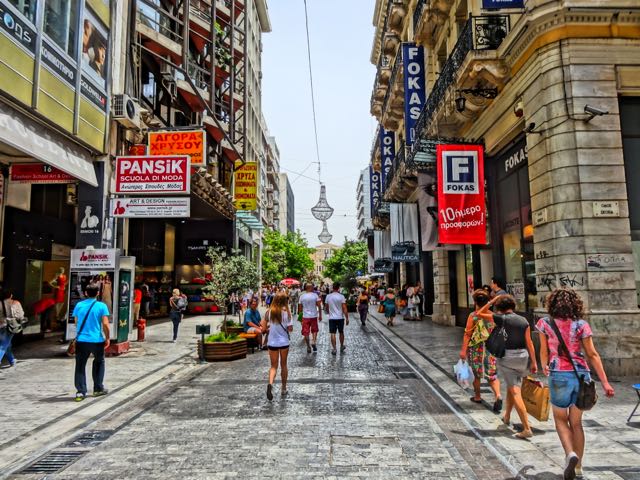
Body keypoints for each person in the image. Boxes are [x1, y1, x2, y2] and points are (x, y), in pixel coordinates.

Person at [537, 288, 614, 480]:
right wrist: (605, 383)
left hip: (559, 375)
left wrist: (544, 366)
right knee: (577, 423)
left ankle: (570, 453)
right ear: (576, 304)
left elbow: (544, 352)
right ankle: (578, 466)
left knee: (561, 419)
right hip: (581, 375)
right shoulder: (581, 325)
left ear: (552, 304)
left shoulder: (544, 324)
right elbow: (592, 354)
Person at [478, 294, 537, 438]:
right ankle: (507, 416)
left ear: (500, 308)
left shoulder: (501, 318)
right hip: (523, 357)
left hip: (508, 357)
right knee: (513, 386)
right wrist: (534, 362)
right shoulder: (523, 320)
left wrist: (490, 301)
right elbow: (529, 343)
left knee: (515, 391)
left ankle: (526, 428)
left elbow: (480, 313)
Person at [459, 289, 502, 412]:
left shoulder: (473, 316)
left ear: (475, 301)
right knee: (492, 374)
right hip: (490, 349)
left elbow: (467, 334)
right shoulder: (492, 316)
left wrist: (463, 350)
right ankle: (498, 395)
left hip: (476, 349)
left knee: (476, 374)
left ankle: (478, 396)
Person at [72, 283, 110, 401]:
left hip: (81, 340)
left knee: (80, 365)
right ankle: (98, 388)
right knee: (99, 362)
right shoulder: (101, 306)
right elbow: (105, 324)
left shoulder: (79, 305)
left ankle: (80, 392)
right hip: (96, 340)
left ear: (86, 293)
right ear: (98, 293)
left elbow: (76, 322)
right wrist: (107, 337)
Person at [261, 292, 293, 400]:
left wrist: (271, 328)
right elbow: (290, 329)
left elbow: (263, 329)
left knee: (273, 366)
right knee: (284, 365)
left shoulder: (268, 312)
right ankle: (283, 388)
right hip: (284, 343)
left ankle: (270, 384)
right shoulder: (287, 313)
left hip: (272, 343)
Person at [0, 290, 25, 367]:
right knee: (3, 345)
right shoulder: (15, 303)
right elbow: (20, 316)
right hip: (10, 327)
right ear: (10, 295)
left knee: (7, 344)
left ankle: (12, 360)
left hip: (0, 325)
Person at [298, 283, 322, 353]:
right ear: (310, 288)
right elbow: (319, 306)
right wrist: (320, 315)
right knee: (314, 330)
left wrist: (300, 316)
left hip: (305, 316)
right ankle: (313, 341)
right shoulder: (315, 295)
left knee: (306, 332)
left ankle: (308, 346)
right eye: (312, 287)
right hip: (314, 316)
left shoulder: (302, 296)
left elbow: (300, 308)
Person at [326, 283, 349, 355]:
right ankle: (342, 346)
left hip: (332, 318)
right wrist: (347, 318)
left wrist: (329, 312)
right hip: (340, 317)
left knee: (332, 333)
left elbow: (326, 307)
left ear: (333, 288)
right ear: (338, 288)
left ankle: (334, 348)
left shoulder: (328, 296)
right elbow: (344, 308)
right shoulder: (341, 297)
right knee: (341, 332)